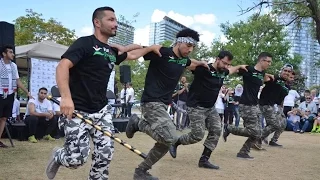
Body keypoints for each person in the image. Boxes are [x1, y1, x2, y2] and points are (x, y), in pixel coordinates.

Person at [45, 6, 162, 180]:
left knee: (105, 154)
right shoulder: (85, 43)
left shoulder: (111, 51)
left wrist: (149, 48)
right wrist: (66, 98)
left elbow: (131, 55)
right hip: (77, 111)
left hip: (101, 111)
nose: (116, 24)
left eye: (116, 20)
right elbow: (62, 66)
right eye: (111, 20)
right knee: (76, 160)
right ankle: (58, 156)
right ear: (97, 22)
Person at [125, 28, 208, 180]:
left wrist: (202, 63)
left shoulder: (184, 60)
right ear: (179, 42)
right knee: (171, 137)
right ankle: (138, 124)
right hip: (151, 101)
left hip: (164, 104)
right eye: (188, 45)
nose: (190, 49)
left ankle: (141, 171)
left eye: (193, 47)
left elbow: (192, 63)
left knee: (165, 142)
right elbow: (133, 54)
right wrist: (145, 48)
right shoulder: (161, 52)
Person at [168, 51, 247, 169]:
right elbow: (186, 62)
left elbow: (231, 70)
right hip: (196, 106)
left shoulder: (223, 72)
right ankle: (176, 142)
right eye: (224, 63)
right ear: (217, 59)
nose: (226, 66)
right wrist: (199, 62)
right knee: (197, 135)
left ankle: (204, 160)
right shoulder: (204, 68)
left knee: (216, 130)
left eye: (227, 64)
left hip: (210, 108)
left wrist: (239, 66)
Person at [223, 52, 273, 159]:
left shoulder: (262, 74)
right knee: (254, 132)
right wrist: (239, 66)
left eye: (270, 62)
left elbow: (266, 79)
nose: (269, 64)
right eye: (268, 61)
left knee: (259, 133)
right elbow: (232, 69)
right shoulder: (248, 70)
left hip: (255, 105)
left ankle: (243, 152)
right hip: (246, 105)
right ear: (261, 60)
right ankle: (229, 128)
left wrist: (272, 77)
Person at [253, 64, 292, 149]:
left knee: (283, 123)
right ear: (281, 71)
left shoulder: (287, 86)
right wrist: (266, 75)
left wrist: (280, 108)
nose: (286, 73)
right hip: (265, 104)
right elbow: (263, 77)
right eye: (285, 70)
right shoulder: (275, 78)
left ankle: (272, 140)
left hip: (275, 106)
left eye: (289, 71)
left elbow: (281, 98)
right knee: (274, 125)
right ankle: (257, 139)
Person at [0, 45, 32, 148]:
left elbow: (18, 81)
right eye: (10, 52)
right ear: (4, 54)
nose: (12, 54)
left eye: (13, 52)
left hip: (10, 95)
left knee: (4, 118)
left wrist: (27, 92)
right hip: (0, 93)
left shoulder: (13, 66)